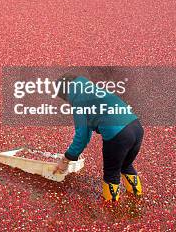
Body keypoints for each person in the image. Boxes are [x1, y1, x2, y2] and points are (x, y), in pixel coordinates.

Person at [52, 74, 144, 202]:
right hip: (137, 127)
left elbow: (82, 136)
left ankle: (112, 208)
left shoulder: (79, 102)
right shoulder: (95, 91)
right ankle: (137, 196)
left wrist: (66, 159)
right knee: (126, 165)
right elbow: (87, 131)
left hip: (118, 136)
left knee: (111, 173)